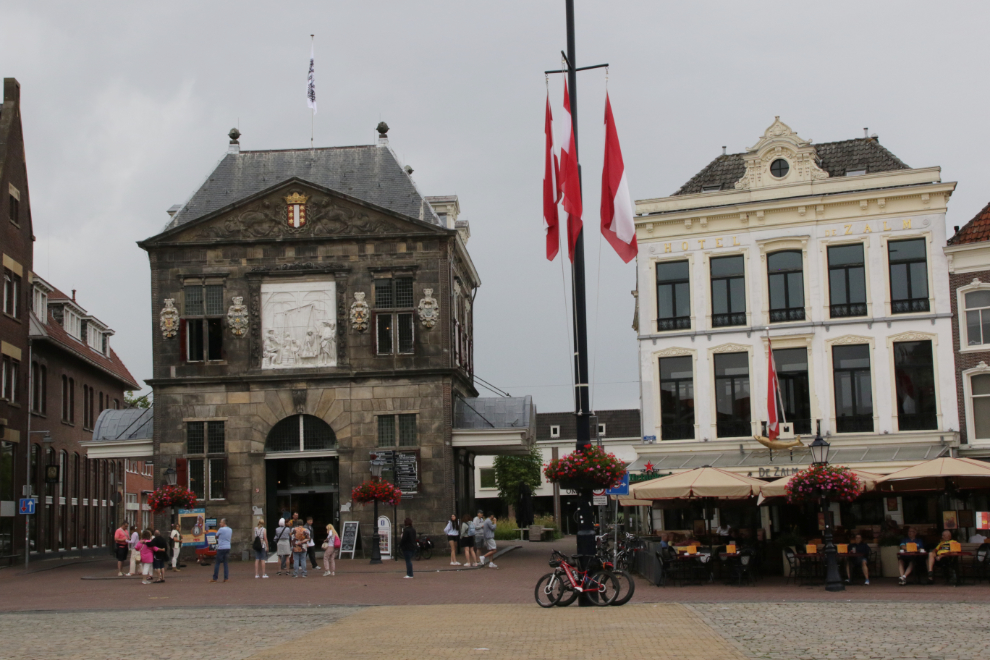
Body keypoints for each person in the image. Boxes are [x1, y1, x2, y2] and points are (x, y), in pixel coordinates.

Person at [210, 518, 233, 583]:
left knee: (217, 563)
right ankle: (226, 578)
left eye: (221, 522)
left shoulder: (221, 529)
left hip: (221, 547)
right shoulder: (230, 530)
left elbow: (216, 536)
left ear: (224, 523)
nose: (220, 523)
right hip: (228, 547)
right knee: (225, 563)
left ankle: (215, 578)